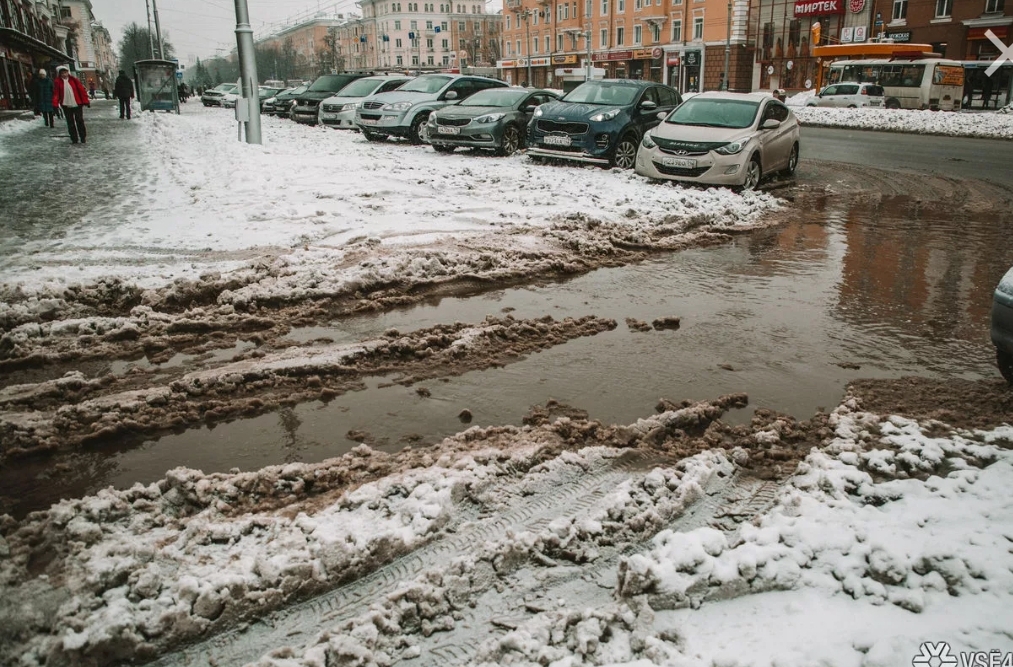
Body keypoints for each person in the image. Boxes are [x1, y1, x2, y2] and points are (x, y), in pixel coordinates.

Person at [53, 66, 90, 144]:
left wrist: (86, 101)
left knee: (79, 120)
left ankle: (82, 137)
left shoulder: (74, 80)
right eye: (62, 73)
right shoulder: (57, 82)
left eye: (65, 72)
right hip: (66, 105)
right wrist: (55, 104)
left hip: (77, 103)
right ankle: (74, 138)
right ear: (60, 74)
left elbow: (81, 90)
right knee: (70, 122)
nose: (64, 74)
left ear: (68, 72)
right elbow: (56, 94)